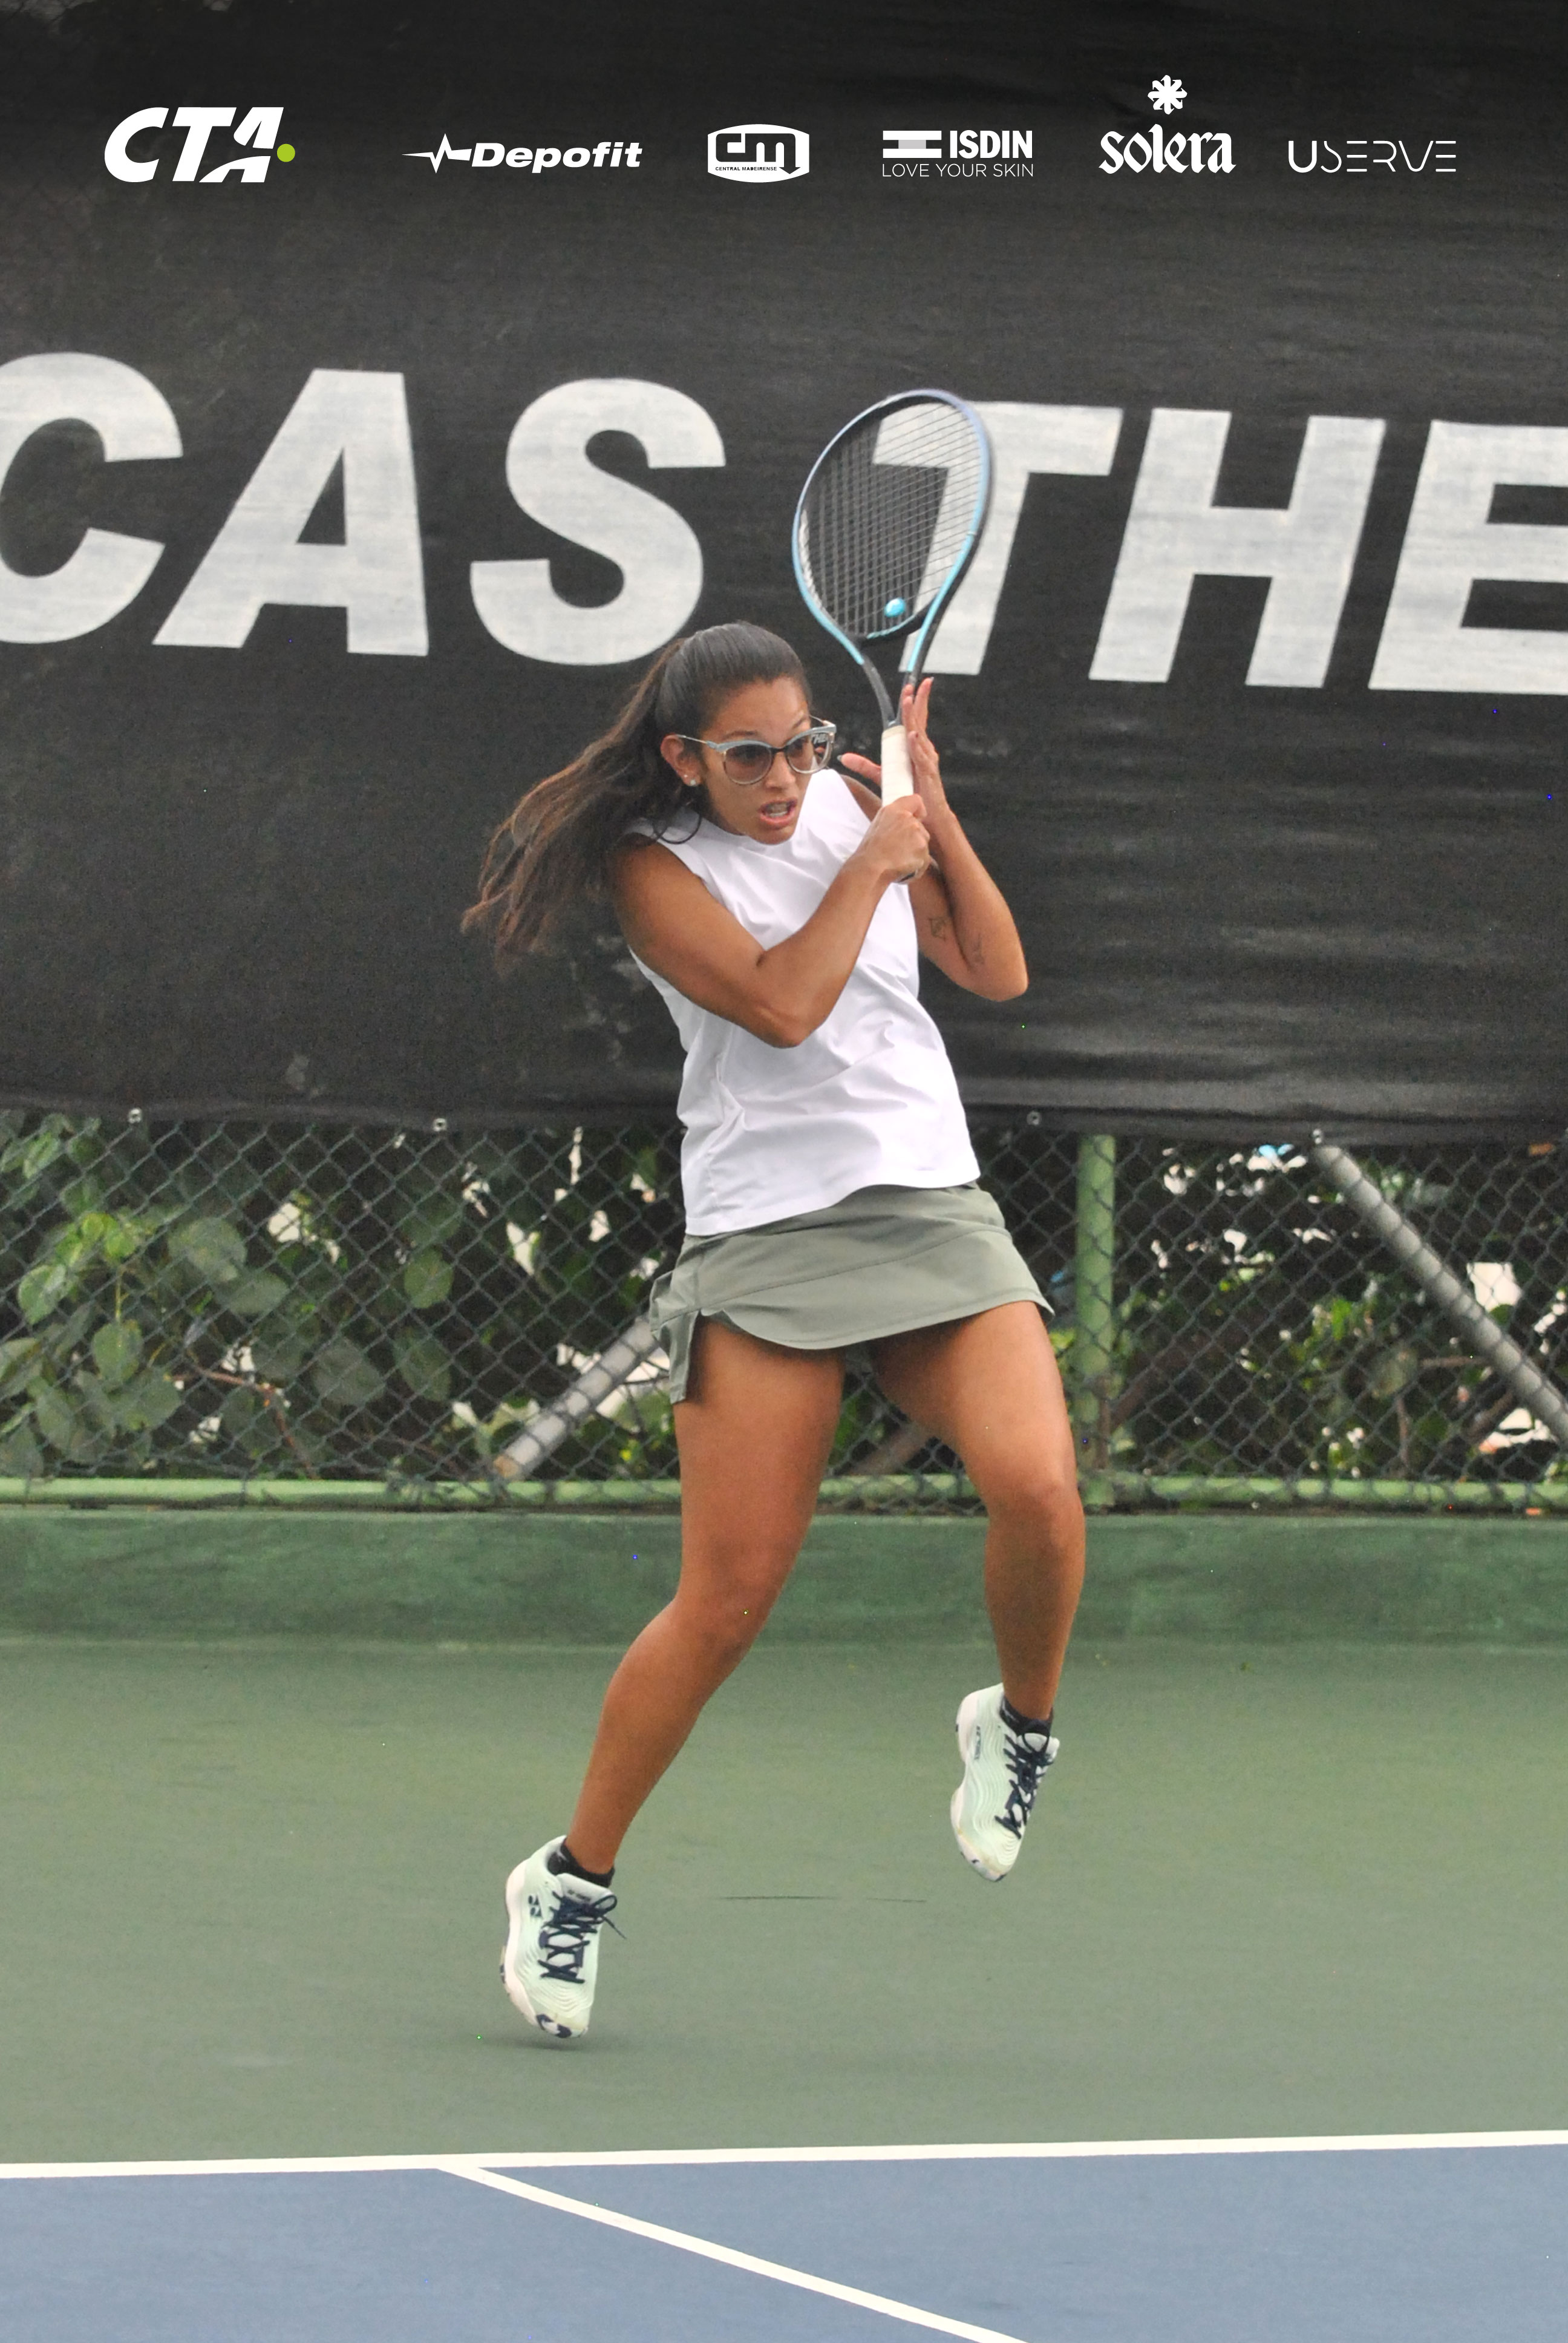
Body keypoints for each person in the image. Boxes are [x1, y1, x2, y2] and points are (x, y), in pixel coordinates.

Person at [463, 621, 1083, 2040]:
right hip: (765, 1236)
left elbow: (995, 971)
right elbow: (779, 1008)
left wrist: (929, 809)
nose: (788, 777)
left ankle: (1021, 1723)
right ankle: (571, 1880)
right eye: (753, 756)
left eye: (804, 744)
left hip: (929, 1206)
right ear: (688, 756)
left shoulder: (856, 802)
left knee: (1042, 1491)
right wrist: (868, 862)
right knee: (727, 1604)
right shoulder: (656, 865)